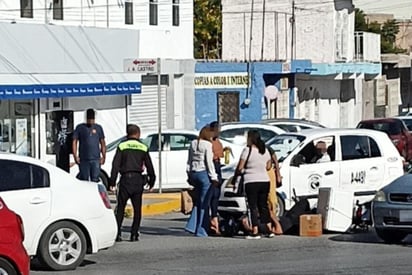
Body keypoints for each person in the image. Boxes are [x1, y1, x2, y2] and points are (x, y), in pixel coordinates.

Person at [109, 124, 156, 242]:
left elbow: (115, 165)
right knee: (137, 209)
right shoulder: (143, 147)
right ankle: (134, 234)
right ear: (138, 134)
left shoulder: (122, 146)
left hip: (125, 180)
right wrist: (152, 181)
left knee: (120, 208)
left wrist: (112, 181)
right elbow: (149, 166)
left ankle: (118, 233)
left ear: (127, 134)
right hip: (137, 180)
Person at [234, 130, 272, 239]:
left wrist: (238, 174)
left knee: (252, 207)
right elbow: (268, 166)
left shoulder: (247, 150)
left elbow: (240, 167)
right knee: (263, 206)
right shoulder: (265, 150)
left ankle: (255, 230)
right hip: (265, 180)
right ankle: (268, 229)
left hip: (251, 181)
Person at [185, 126, 219, 237]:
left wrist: (188, 173)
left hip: (194, 173)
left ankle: (191, 226)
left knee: (199, 201)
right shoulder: (207, 145)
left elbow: (189, 160)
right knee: (204, 203)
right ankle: (201, 230)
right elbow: (209, 163)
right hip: (204, 174)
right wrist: (214, 177)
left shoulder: (193, 143)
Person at [72, 108, 106, 182]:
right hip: (84, 159)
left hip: (96, 159)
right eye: (89, 119)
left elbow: (102, 142)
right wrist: (75, 156)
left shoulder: (98, 128)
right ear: (86, 118)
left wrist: (103, 156)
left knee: (95, 179)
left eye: (92, 119)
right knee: (84, 180)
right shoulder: (80, 128)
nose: (91, 121)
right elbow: (74, 141)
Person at [209, 121, 224, 235]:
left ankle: (214, 219)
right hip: (212, 166)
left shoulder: (217, 141)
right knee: (212, 195)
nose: (220, 131)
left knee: (216, 195)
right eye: (218, 129)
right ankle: (212, 221)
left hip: (218, 165)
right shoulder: (209, 142)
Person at [266, 146, 283, 235]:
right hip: (260, 174)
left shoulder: (266, 148)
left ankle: (275, 224)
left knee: (272, 199)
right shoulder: (251, 150)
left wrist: (278, 174)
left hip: (269, 173)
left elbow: (275, 160)